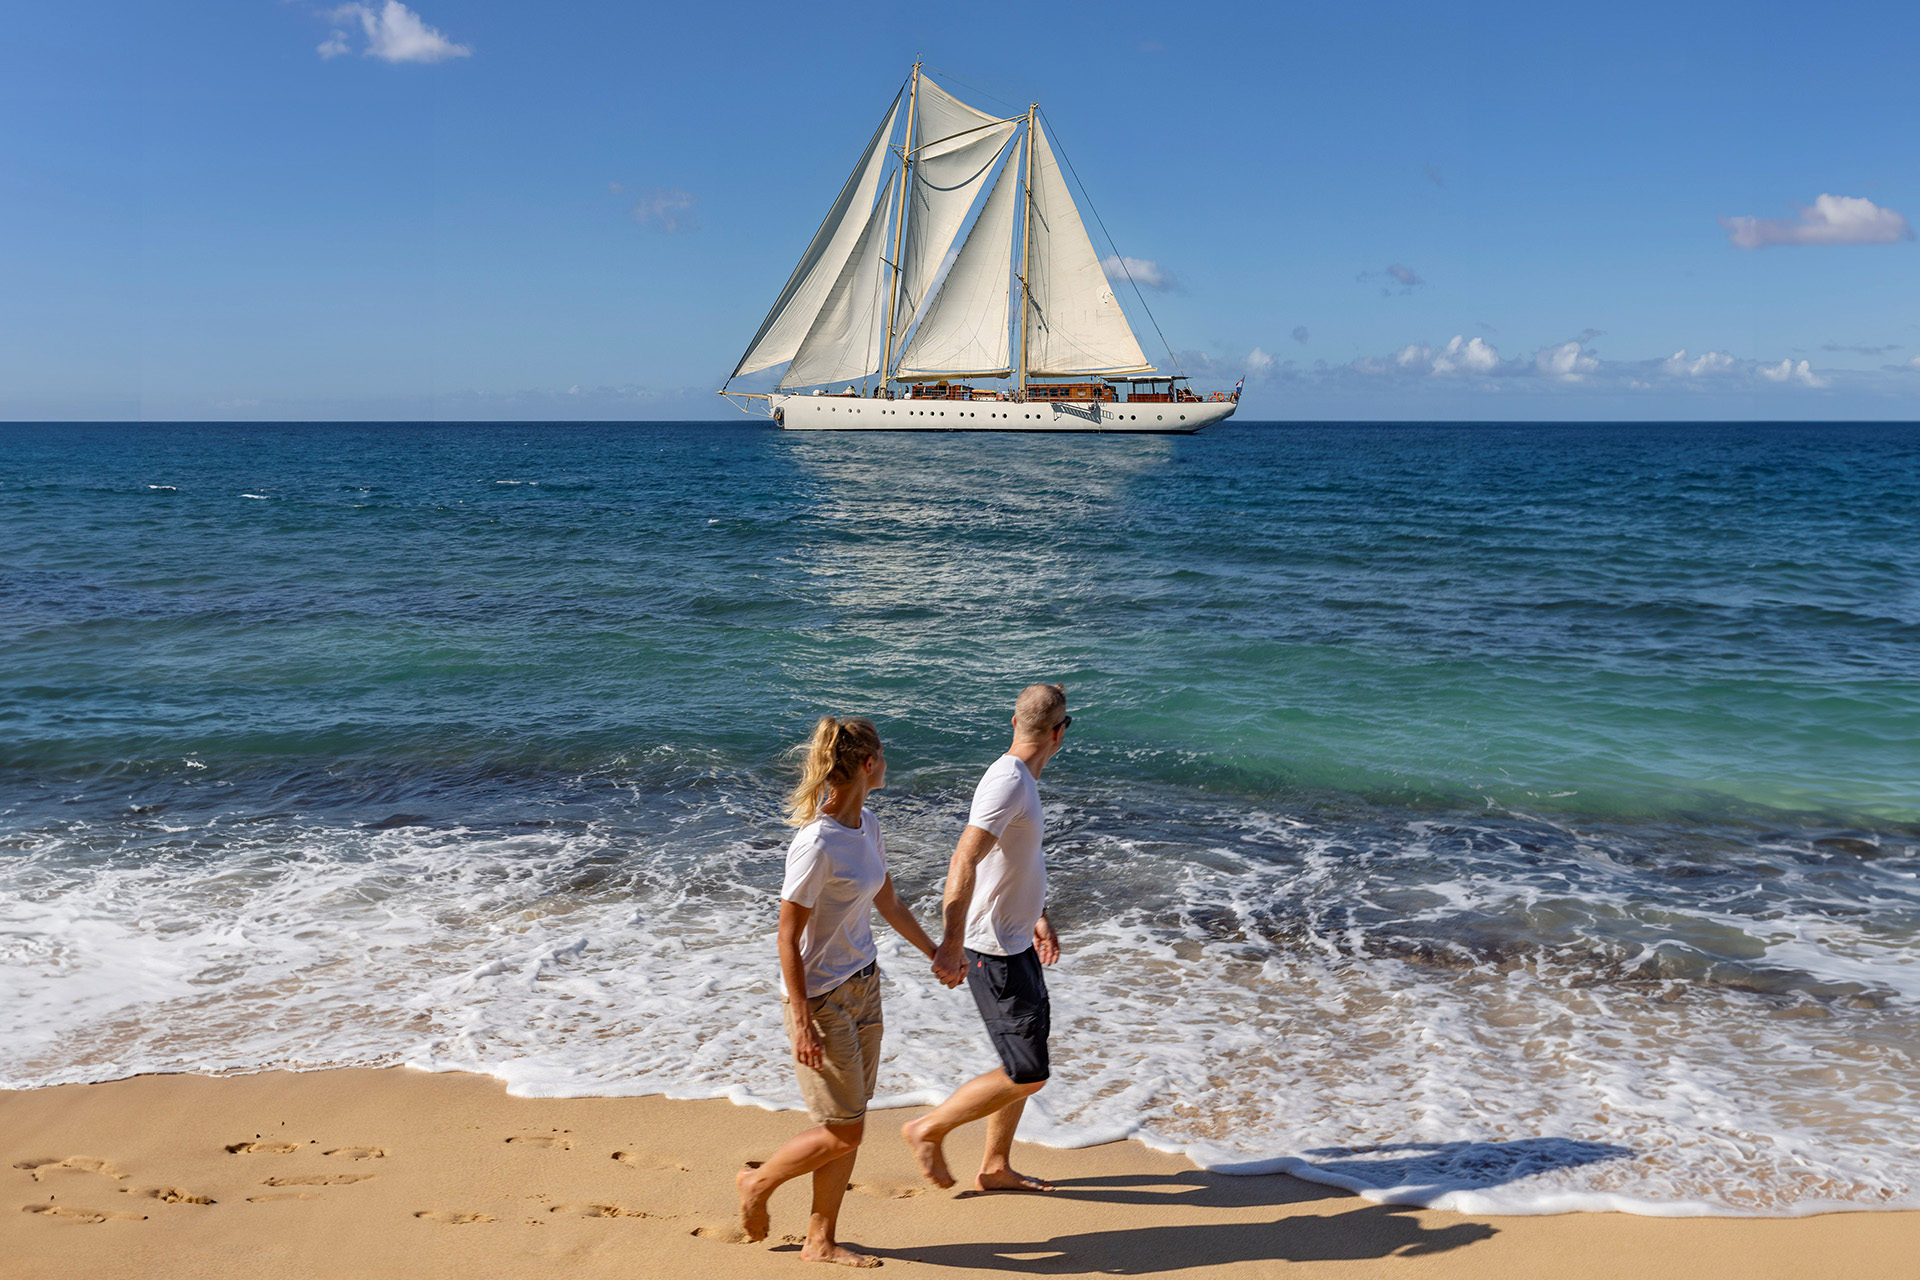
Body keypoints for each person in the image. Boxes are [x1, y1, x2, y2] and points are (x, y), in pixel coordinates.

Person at [737, 716, 938, 1268]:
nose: (887, 764)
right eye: (884, 756)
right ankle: (758, 1183)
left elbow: (889, 903)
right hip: (821, 998)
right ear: (868, 764)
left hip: (864, 986)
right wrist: (801, 1020)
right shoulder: (816, 843)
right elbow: (786, 937)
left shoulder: (867, 826)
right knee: (846, 1132)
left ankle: (819, 1240)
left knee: (847, 1123)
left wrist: (936, 952)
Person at [903, 683, 1069, 1193]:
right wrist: (951, 943)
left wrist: (1037, 913)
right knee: (1029, 1073)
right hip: (992, 947)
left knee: (1024, 1058)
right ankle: (928, 1127)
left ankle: (995, 1165)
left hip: (1016, 939)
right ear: (1059, 734)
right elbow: (964, 858)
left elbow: (1011, 862)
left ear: (1015, 723)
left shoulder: (1021, 780)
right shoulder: (1007, 781)